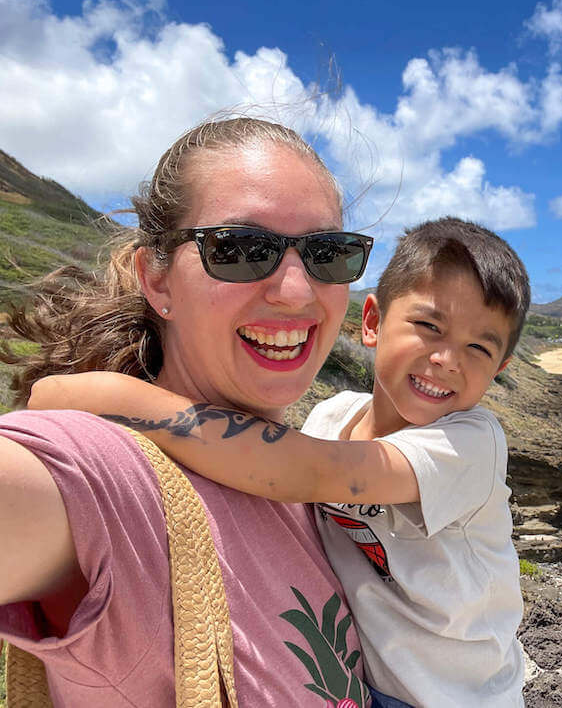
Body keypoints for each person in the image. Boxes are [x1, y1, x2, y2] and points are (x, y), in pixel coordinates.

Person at [31, 217, 531, 707]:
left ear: (501, 367)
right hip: (366, 681)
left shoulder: (471, 443)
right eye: (429, 327)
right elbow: (258, 469)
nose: (447, 359)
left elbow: (307, 470)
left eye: (477, 349)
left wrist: (114, 396)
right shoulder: (332, 417)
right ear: (373, 322)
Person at [0, 117, 373, 706]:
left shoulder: (307, 486)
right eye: (242, 249)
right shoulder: (109, 480)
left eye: (328, 253)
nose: (297, 291)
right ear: (158, 280)